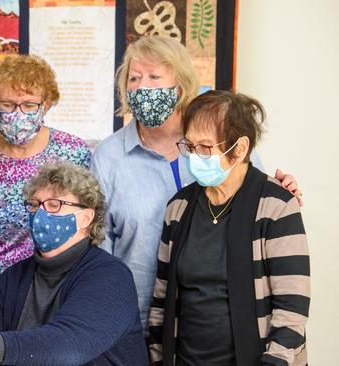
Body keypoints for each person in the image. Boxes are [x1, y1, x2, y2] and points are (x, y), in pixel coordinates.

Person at [90, 35, 302, 331]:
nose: (142, 87)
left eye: (154, 76)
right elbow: (99, 247)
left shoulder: (217, 138)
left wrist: (281, 191)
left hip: (215, 318)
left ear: (180, 85)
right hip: (134, 319)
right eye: (134, 78)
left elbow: (255, 196)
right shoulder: (108, 156)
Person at [0, 163, 147, 366]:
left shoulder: (110, 276)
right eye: (34, 205)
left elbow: (69, 346)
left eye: (54, 204)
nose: (41, 213)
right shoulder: (14, 277)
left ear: (86, 218)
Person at [147, 90, 309, 365]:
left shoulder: (277, 205)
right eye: (190, 146)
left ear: (240, 149)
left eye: (206, 147)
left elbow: (291, 309)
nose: (195, 156)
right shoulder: (178, 208)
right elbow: (161, 300)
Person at [0, 55, 91, 296]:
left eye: (29, 105)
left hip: (53, 290)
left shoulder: (72, 152)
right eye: (8, 104)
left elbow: (86, 228)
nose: (18, 113)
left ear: (47, 103)